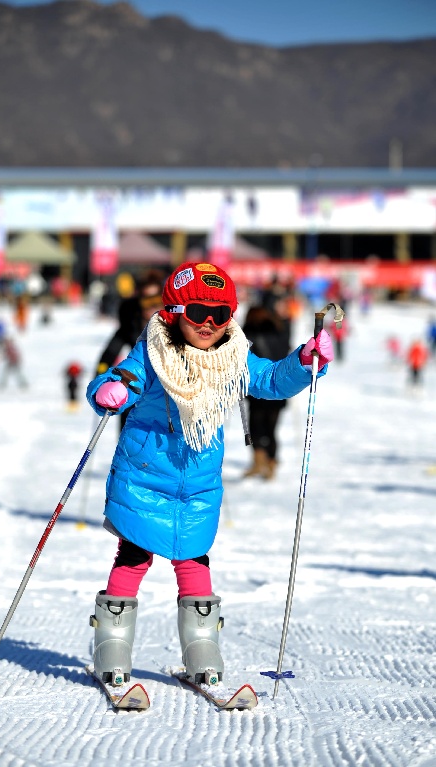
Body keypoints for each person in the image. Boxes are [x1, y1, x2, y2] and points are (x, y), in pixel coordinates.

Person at [85, 262, 333, 689]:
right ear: (174, 312)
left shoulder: (232, 356)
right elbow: (123, 376)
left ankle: (201, 646)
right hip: (144, 477)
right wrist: (112, 391)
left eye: (221, 315)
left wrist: (304, 360)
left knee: (194, 558)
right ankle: (112, 646)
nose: (209, 324)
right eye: (198, 312)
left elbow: (270, 379)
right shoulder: (153, 352)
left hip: (198, 484)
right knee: (134, 556)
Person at [94, 270, 164, 431]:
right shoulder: (130, 326)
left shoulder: (177, 328)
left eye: (155, 300)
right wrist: (101, 375)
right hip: (136, 391)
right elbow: (109, 354)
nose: (151, 306)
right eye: (146, 301)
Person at [242, 304, 290, 479]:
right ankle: (271, 462)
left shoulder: (247, 335)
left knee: (256, 429)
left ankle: (259, 461)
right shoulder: (279, 332)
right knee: (271, 429)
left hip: (256, 392)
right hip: (278, 389)